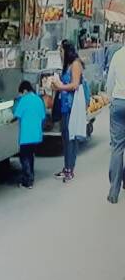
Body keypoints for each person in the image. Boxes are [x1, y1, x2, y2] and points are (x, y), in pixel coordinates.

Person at [52, 40, 86, 183]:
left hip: (72, 106)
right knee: (65, 137)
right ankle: (67, 167)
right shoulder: (67, 65)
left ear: (67, 51)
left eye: (61, 51)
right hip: (65, 105)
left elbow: (75, 84)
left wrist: (60, 87)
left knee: (70, 137)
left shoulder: (75, 64)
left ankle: (69, 169)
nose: (60, 53)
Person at [13, 80, 46, 189]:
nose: (20, 95)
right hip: (36, 135)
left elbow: (16, 114)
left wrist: (16, 102)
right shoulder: (39, 100)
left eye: (21, 93)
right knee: (31, 156)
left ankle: (28, 181)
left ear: (25, 91)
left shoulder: (24, 100)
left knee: (24, 158)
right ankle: (31, 177)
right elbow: (43, 116)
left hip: (26, 135)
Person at [106, 45, 125, 203]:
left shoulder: (117, 55)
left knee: (117, 147)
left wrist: (111, 100)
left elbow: (110, 81)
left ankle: (113, 191)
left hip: (118, 102)